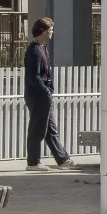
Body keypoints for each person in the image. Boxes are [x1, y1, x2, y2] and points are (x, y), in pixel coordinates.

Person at [23, 18, 74, 171]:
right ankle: (33, 162)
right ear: (44, 31)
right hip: (38, 95)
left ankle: (62, 159)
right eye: (50, 30)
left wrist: (49, 91)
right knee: (37, 128)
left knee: (50, 128)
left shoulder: (42, 48)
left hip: (44, 95)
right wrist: (46, 92)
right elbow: (34, 76)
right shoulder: (34, 50)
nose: (52, 32)